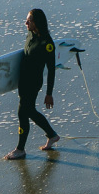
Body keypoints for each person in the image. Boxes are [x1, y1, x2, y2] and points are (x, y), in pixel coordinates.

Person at [4, 8, 61, 160]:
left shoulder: (47, 43)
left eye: (29, 20)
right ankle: (52, 135)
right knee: (29, 111)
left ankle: (20, 149)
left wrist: (49, 94)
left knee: (23, 112)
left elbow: (51, 70)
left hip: (33, 83)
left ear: (37, 22)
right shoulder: (31, 34)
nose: (26, 23)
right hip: (23, 81)